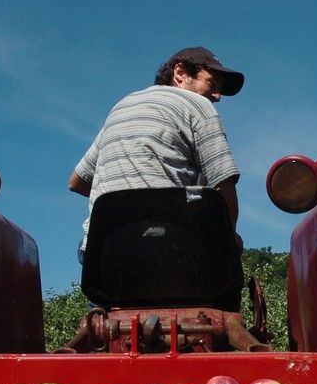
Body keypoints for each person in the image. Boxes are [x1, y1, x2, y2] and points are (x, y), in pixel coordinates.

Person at [68, 46, 245, 261]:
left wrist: (128, 201)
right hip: (166, 250)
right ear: (180, 73)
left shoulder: (122, 107)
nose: (217, 96)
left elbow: (77, 182)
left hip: (103, 253)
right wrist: (229, 239)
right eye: (212, 83)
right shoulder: (198, 105)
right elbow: (223, 182)